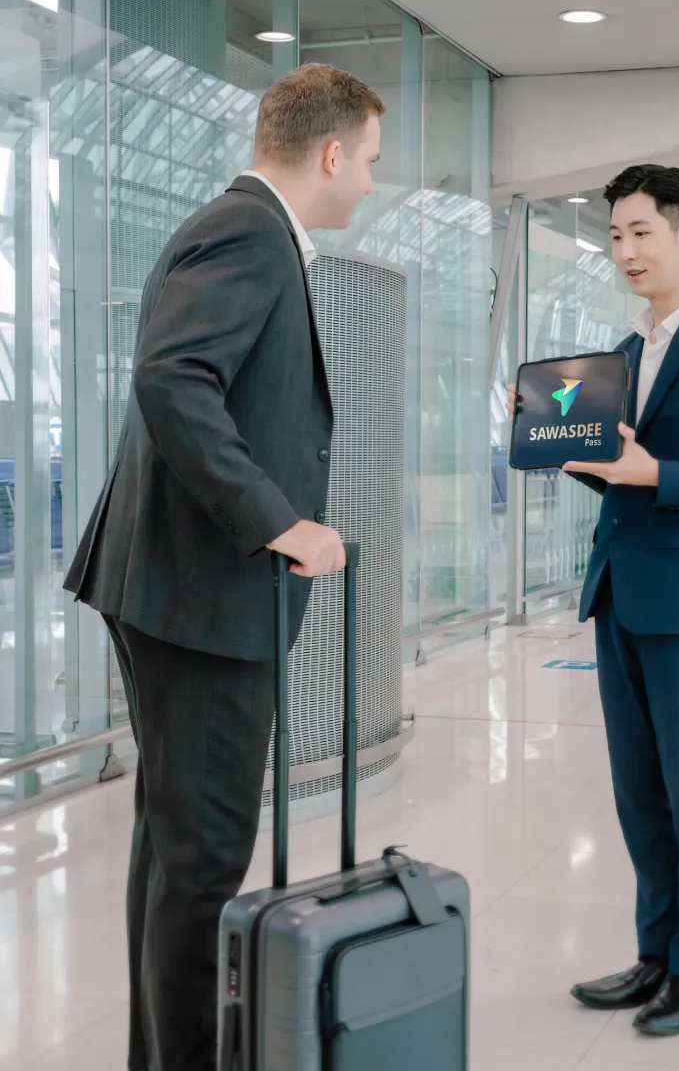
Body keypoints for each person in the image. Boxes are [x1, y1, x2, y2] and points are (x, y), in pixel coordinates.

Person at [63, 63, 385, 1071]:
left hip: (177, 586)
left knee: (173, 850)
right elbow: (172, 376)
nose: (372, 182)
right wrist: (278, 520)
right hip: (202, 596)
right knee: (201, 860)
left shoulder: (245, 231)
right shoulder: (249, 231)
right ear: (330, 154)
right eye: (370, 161)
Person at [507, 165, 679, 1037]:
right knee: (638, 793)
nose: (625, 251)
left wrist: (652, 470)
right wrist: (582, 460)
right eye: (615, 236)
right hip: (620, 596)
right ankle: (656, 952)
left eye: (640, 233)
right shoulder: (622, 355)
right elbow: (625, 483)